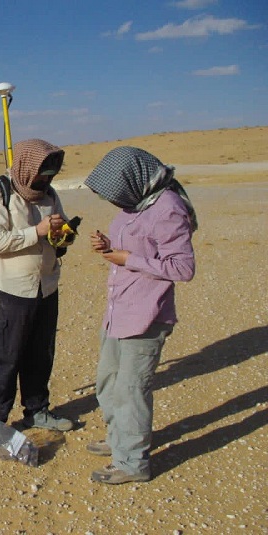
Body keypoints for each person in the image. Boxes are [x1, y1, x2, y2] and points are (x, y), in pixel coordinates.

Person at [84, 146, 197, 485]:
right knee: (107, 382)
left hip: (147, 316)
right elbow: (129, 246)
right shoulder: (135, 203)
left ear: (135, 179)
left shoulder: (168, 209)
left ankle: (132, 461)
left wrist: (125, 258)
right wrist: (108, 247)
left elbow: (183, 268)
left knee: (131, 389)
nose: (115, 201)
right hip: (119, 310)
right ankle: (120, 437)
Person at [0, 138, 75, 433]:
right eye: (41, 174)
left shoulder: (49, 194)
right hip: (10, 289)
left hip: (45, 286)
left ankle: (37, 410)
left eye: (50, 175)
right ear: (26, 167)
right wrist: (37, 231)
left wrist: (64, 235)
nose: (45, 180)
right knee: (8, 356)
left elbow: (60, 232)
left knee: (40, 353)